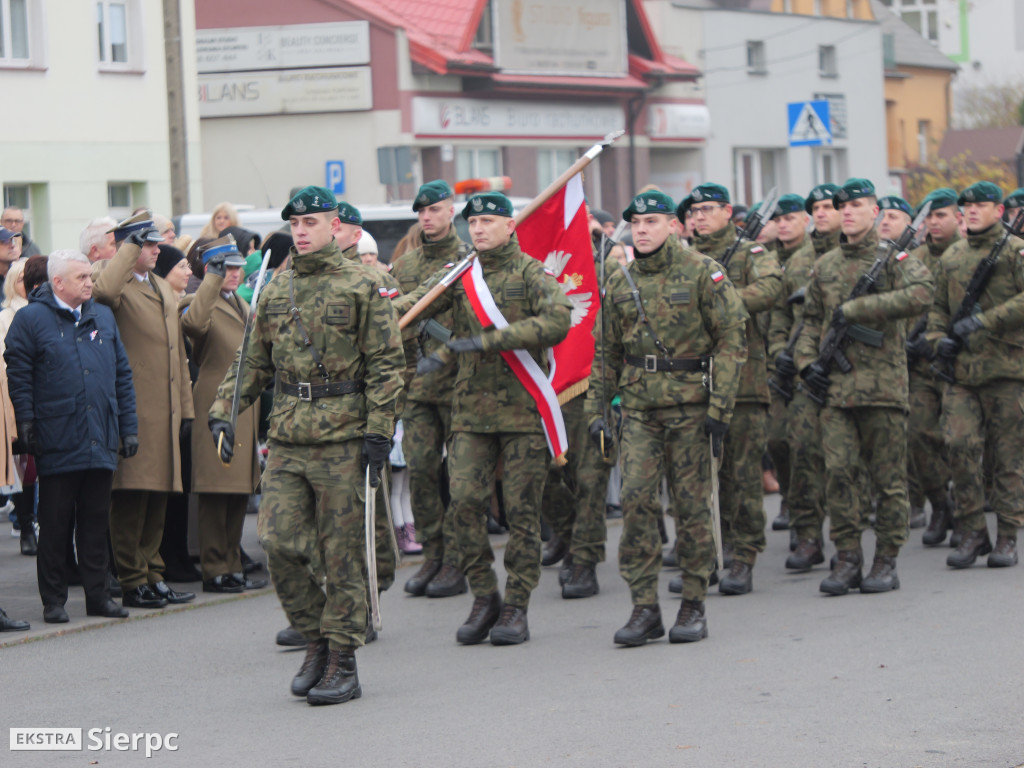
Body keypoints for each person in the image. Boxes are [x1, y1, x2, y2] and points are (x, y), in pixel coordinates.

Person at [209, 185, 404, 705]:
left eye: (311, 222)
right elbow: (252, 360)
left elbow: (387, 366)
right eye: (295, 223)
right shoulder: (275, 288)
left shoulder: (364, 283)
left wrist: (379, 430)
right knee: (277, 542)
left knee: (342, 555)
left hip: (345, 437)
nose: (301, 231)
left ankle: (343, 658)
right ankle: (317, 636)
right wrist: (223, 413)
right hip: (290, 435)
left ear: (334, 225)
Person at [396, 190, 572, 645]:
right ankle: (484, 594)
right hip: (470, 414)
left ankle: (516, 604)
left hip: (521, 413)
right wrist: (377, 309)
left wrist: (492, 340)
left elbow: (558, 320)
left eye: (488, 222)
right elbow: (416, 303)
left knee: (520, 512)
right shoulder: (458, 274)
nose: (478, 230)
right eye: (473, 224)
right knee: (465, 506)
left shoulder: (531, 273)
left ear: (509, 226)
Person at [586, 190, 747, 646]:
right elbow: (606, 354)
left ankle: (694, 602)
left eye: (652, 221)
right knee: (636, 502)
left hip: (692, 408)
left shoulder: (702, 272)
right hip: (638, 409)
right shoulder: (620, 280)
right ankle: (644, 607)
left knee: (692, 506)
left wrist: (721, 408)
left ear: (674, 226)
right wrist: (599, 411)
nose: (642, 229)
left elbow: (732, 339)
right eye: (636, 222)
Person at [795, 178, 933, 595]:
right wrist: (805, 365)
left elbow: (923, 292)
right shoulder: (826, 265)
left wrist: (859, 308)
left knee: (888, 479)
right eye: (843, 206)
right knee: (840, 474)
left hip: (884, 389)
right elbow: (811, 323)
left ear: (875, 211)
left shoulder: (894, 257)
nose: (848, 211)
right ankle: (848, 557)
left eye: (857, 205)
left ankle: (886, 560)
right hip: (836, 390)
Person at [5, 249, 138, 623]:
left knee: (96, 522)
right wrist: (27, 423)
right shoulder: (31, 319)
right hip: (58, 434)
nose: (89, 283)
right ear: (57, 282)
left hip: (101, 434)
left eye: (89, 277)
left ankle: (98, 596)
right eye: (81, 277)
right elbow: (20, 376)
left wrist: (128, 427)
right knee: (56, 522)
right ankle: (54, 600)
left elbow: (122, 376)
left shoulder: (103, 316)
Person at [91, 212, 196, 609]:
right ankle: (132, 577)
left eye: (154, 244)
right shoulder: (118, 284)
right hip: (135, 410)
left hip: (166, 410)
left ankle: (153, 572)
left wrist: (185, 409)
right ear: (129, 247)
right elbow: (102, 293)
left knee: (159, 496)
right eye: (147, 244)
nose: (156, 250)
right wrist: (128, 244)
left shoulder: (159, 287)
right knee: (131, 497)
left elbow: (178, 357)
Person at [689, 182, 783, 595]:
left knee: (741, 476)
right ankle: (709, 557)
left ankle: (743, 556)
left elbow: (769, 289)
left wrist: (716, 304)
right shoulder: (684, 257)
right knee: (699, 479)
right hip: (694, 384)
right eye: (694, 211)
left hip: (743, 383)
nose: (700, 217)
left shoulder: (751, 253)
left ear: (728, 211)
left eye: (708, 209)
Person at [927, 181, 1024, 569]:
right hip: (962, 373)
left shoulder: (1016, 251)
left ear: (998, 211)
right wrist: (938, 341)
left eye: (980, 206)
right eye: (966, 206)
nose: (970, 211)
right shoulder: (952, 256)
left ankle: (1008, 534)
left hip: (1007, 370)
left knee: (1007, 456)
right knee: (959, 447)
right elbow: (937, 309)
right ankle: (972, 531)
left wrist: (983, 320)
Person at [391, 180, 470, 598]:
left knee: (459, 479)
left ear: (451, 210)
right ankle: (434, 554)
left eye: (434, 210)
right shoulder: (405, 267)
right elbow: (397, 332)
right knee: (420, 472)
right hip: (419, 388)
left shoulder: (470, 259)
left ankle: (458, 559)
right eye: (421, 212)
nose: (426, 218)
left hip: (460, 386)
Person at [180, 236, 265, 593]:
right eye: (226, 266)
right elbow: (193, 326)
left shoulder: (240, 303)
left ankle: (231, 561)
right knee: (216, 490)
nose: (236, 272)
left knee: (237, 491)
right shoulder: (199, 300)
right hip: (214, 402)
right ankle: (215, 567)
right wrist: (211, 281)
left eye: (236, 266)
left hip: (242, 406)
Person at [906, 188, 960, 545]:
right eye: (930, 216)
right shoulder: (912, 258)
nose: (934, 222)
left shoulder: (968, 256)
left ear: (958, 217)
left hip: (960, 364)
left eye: (942, 215)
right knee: (920, 435)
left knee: (961, 441)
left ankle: (970, 515)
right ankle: (941, 504)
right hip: (922, 366)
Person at [806, 183, 842, 257]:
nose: (819, 214)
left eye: (827, 207)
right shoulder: (801, 251)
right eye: (815, 208)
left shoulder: (854, 247)